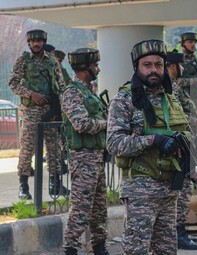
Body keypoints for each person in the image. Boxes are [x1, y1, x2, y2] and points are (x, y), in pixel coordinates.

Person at [106, 39, 188, 255]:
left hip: (169, 191)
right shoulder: (123, 100)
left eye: (158, 65)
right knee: (137, 250)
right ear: (137, 67)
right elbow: (114, 144)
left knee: (167, 251)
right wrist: (152, 140)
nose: (154, 70)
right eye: (147, 65)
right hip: (140, 191)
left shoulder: (170, 99)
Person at [61, 48, 109, 255]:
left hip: (96, 157)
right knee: (81, 207)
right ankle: (70, 248)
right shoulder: (72, 92)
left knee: (99, 208)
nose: (97, 69)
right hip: (83, 158)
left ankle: (99, 246)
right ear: (85, 67)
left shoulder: (89, 91)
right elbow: (81, 124)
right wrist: (107, 124)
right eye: (95, 65)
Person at [8, 29, 67, 199]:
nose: (36, 44)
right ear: (29, 43)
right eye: (33, 41)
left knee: (54, 148)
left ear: (43, 42)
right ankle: (23, 187)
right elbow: (13, 84)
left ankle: (55, 185)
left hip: (50, 110)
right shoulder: (23, 60)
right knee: (27, 148)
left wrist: (61, 106)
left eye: (39, 41)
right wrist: (31, 94)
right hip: (31, 111)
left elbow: (61, 85)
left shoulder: (53, 61)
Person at [166, 51, 197, 250]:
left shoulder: (173, 85)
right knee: (181, 193)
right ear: (173, 66)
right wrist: (195, 122)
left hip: (186, 143)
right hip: (179, 146)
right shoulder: (169, 87)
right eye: (181, 66)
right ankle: (178, 234)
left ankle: (180, 232)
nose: (183, 69)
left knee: (184, 192)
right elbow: (175, 117)